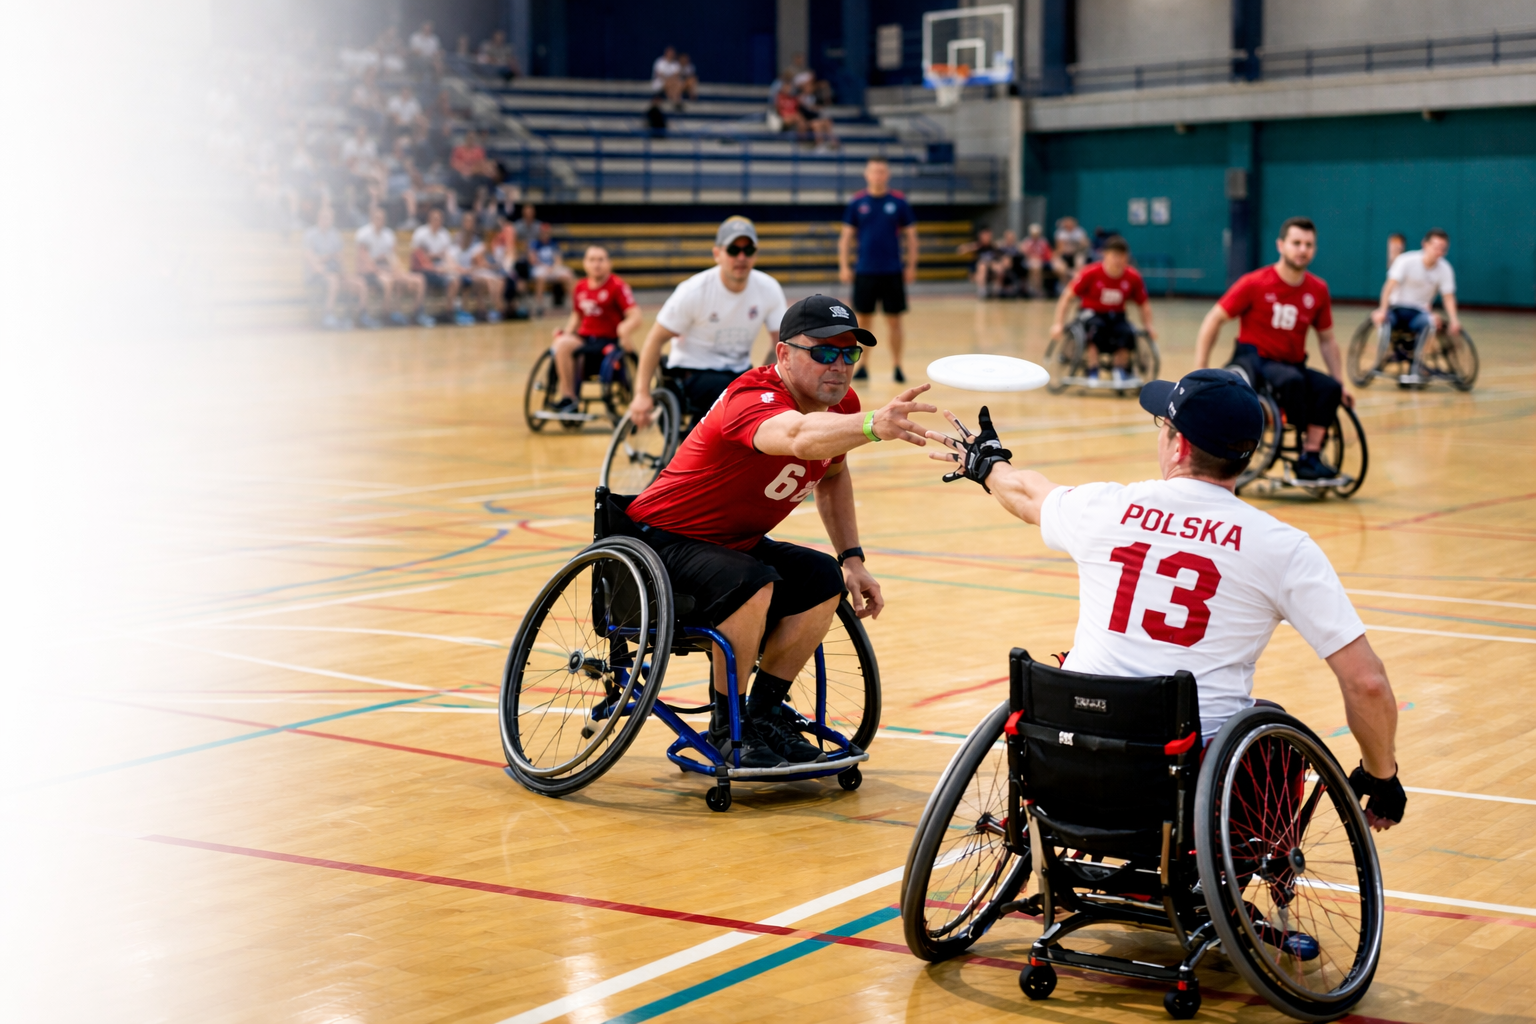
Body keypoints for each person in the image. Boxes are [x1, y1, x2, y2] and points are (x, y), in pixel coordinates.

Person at [925, 372, 1406, 832]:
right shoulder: (1284, 548)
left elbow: (1028, 493)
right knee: (1272, 731)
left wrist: (988, 464)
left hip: (1072, 759)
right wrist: (1380, 775)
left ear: (1180, 445)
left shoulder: (1105, 507)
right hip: (1186, 785)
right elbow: (1366, 683)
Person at [618, 295, 938, 767]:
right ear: (784, 354)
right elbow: (794, 437)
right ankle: (729, 728)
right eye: (825, 352)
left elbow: (832, 475)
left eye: (850, 354)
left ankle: (764, 713)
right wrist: (871, 424)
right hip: (661, 543)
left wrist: (852, 558)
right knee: (751, 579)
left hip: (734, 546)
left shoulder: (840, 404)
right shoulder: (751, 397)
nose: (840, 365)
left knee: (821, 576)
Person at [1193, 216, 1351, 481]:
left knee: (1328, 388)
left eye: (1309, 245)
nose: (1303, 250)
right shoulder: (1255, 282)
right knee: (1293, 382)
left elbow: (1327, 340)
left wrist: (1341, 381)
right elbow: (1214, 319)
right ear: (1281, 245)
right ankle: (1300, 449)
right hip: (1255, 360)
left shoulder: (1318, 289)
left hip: (1292, 363)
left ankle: (1311, 456)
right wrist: (1200, 368)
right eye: (1297, 243)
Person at [629, 217, 787, 432]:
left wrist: (767, 376)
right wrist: (641, 394)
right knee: (732, 396)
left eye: (748, 250)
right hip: (693, 372)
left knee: (765, 398)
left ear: (755, 254)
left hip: (738, 374)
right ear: (717, 254)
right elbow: (655, 340)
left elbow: (780, 343)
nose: (741, 257)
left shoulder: (768, 288)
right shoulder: (694, 291)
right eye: (733, 250)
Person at [840, 158, 918, 382]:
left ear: (887, 175)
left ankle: (897, 365)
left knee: (894, 321)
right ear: (867, 174)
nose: (878, 175)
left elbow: (911, 237)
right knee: (863, 322)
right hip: (865, 271)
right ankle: (863, 365)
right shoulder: (857, 203)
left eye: (882, 171)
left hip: (892, 271)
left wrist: (911, 265)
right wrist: (845, 265)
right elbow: (846, 238)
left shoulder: (899, 202)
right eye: (874, 171)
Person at [547, 246, 642, 417]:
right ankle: (568, 397)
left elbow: (635, 316)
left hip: (608, 340)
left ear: (609, 263)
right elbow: (577, 317)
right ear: (585, 264)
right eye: (592, 260)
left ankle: (570, 395)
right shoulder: (580, 287)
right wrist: (567, 332)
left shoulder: (617, 286)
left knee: (573, 348)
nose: (596, 264)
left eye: (601, 260)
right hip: (585, 338)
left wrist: (624, 328)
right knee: (562, 344)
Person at [1050, 236, 1155, 383]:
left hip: (1116, 315)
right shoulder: (1091, 273)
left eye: (1122, 256)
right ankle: (1093, 369)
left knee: (1126, 332)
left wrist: (1148, 326)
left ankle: (1120, 369)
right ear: (1105, 255)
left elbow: (1144, 304)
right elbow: (1067, 297)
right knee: (1095, 329)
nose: (1118, 260)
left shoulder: (1132, 277)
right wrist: (1058, 323)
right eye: (1114, 255)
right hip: (1091, 313)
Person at [1372, 228, 1461, 374]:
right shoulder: (1406, 261)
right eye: (1435, 246)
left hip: (1419, 313)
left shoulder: (1445, 269)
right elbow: (1388, 287)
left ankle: (1417, 363)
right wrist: (1382, 310)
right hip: (1396, 309)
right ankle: (1387, 354)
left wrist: (1454, 320)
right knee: (1384, 322)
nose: (1438, 251)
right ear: (1425, 244)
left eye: (1442, 249)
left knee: (1431, 323)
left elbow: (1448, 297)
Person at [355, 205, 429, 327]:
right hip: (371, 271)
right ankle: (386, 315)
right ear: (372, 218)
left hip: (387, 268)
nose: (380, 220)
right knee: (388, 281)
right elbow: (364, 260)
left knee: (419, 280)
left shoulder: (389, 235)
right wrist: (381, 270)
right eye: (377, 218)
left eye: (382, 218)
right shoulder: (363, 234)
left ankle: (416, 314)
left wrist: (398, 271)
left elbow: (393, 257)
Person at [303, 206, 367, 329]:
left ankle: (358, 316)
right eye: (324, 218)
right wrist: (327, 258)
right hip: (316, 275)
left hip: (334, 273)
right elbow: (311, 260)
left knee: (359, 283)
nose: (327, 220)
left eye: (330, 218)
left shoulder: (335, 235)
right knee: (333, 280)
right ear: (319, 218)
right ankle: (328, 315)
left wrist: (346, 275)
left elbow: (341, 259)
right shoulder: (310, 235)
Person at [411, 207, 471, 325]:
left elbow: (448, 256)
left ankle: (449, 313)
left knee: (455, 280)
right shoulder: (420, 233)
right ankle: (418, 314)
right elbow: (418, 257)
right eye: (434, 219)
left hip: (439, 269)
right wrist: (436, 259)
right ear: (429, 219)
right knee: (422, 279)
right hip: (422, 269)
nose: (437, 221)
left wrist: (455, 268)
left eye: (439, 219)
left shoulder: (445, 235)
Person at [529, 222, 574, 315]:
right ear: (540, 232)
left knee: (568, 275)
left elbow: (558, 260)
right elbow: (533, 259)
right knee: (540, 277)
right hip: (540, 267)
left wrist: (552, 268)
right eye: (543, 232)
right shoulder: (535, 244)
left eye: (547, 232)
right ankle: (539, 306)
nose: (545, 234)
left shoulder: (553, 243)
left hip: (552, 268)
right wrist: (545, 266)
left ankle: (574, 305)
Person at [958, 227, 998, 299]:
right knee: (982, 265)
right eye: (984, 235)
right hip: (979, 272)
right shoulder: (978, 246)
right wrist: (968, 248)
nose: (986, 237)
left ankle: (997, 290)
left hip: (991, 271)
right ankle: (982, 291)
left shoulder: (993, 246)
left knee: (996, 265)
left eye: (988, 235)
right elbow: (961, 249)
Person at [1019, 223, 1054, 297]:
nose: (1035, 235)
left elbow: (1048, 254)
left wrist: (1040, 258)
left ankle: (1038, 289)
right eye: (1033, 233)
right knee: (1035, 266)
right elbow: (1024, 254)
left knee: (1037, 265)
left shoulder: (1044, 242)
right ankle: (1034, 289)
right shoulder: (1027, 242)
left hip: (1042, 262)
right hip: (1029, 262)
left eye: (1037, 233)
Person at [1051, 216, 1090, 281]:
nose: (1069, 225)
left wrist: (1081, 243)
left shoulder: (1079, 232)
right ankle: (1066, 281)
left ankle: (1076, 282)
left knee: (1080, 262)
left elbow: (1086, 244)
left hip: (1077, 253)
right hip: (1065, 254)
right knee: (1058, 265)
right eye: (1067, 224)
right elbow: (1059, 248)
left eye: (1071, 223)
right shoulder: (1060, 233)